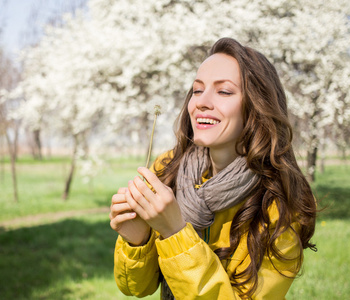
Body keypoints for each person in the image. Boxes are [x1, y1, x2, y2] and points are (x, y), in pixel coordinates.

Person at [109, 37, 317, 299]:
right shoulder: (167, 169)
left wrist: (175, 233)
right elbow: (135, 288)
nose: (201, 102)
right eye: (197, 90)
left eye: (224, 91)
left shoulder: (280, 204)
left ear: (256, 106)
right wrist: (136, 241)